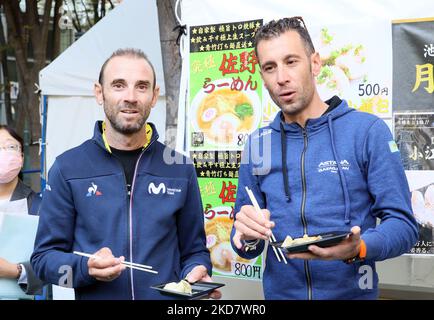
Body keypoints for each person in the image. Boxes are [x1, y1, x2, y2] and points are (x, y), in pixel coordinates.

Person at [230, 17, 418, 300]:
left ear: (315, 63)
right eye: (270, 67)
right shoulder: (258, 143)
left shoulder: (366, 131)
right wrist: (245, 236)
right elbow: (247, 241)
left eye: (291, 61)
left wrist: (360, 248)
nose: (281, 77)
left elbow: (403, 226)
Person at [31, 48, 220, 300]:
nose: (130, 97)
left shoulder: (179, 168)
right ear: (100, 93)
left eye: (141, 87)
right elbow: (44, 261)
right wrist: (84, 269)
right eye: (118, 85)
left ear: (154, 97)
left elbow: (194, 251)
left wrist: (198, 271)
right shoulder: (68, 168)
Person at [0, 125, 44, 297]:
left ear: (21, 157)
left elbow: (51, 262)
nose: (3, 153)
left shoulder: (39, 206)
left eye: (10, 147)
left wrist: (15, 270)